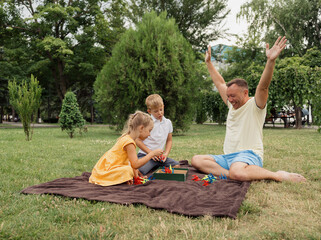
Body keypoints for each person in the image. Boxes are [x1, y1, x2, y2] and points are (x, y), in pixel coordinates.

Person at [191, 36, 306, 183]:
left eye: (233, 96)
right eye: (228, 96)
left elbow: (263, 86)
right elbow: (220, 82)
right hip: (228, 157)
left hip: (249, 155)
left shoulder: (256, 105)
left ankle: (278, 175)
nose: (230, 99)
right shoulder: (231, 105)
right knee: (197, 160)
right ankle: (230, 174)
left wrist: (271, 61)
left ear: (245, 93)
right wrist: (208, 63)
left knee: (237, 172)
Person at [89, 111, 163, 186]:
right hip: (107, 170)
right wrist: (151, 154)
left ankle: (123, 179)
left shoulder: (127, 137)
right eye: (149, 130)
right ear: (141, 128)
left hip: (111, 167)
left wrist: (137, 177)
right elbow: (135, 164)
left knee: (129, 169)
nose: (149, 134)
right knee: (128, 170)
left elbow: (131, 163)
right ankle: (121, 179)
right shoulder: (129, 143)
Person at [135, 94, 180, 175]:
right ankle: (151, 166)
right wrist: (150, 153)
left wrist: (166, 154)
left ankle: (155, 166)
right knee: (140, 172)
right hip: (146, 155)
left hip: (159, 157)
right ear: (149, 111)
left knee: (176, 166)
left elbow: (169, 140)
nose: (159, 113)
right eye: (156, 111)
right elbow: (137, 140)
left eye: (161, 109)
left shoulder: (168, 123)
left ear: (163, 106)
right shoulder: (146, 123)